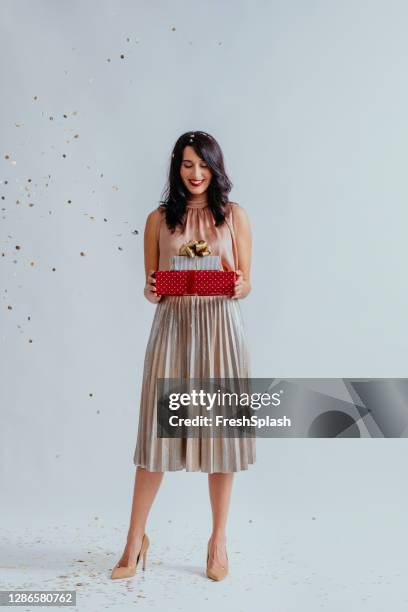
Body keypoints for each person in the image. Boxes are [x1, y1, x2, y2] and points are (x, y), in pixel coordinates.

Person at [111, 131, 256, 581]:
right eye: (188, 164)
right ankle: (135, 540)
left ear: (216, 169)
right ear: (177, 167)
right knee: (157, 439)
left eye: (204, 165)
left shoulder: (233, 217)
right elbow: (151, 286)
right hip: (173, 332)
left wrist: (237, 285)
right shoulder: (158, 219)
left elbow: (247, 282)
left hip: (220, 334)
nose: (196, 174)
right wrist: (152, 289)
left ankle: (218, 541)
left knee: (221, 440)